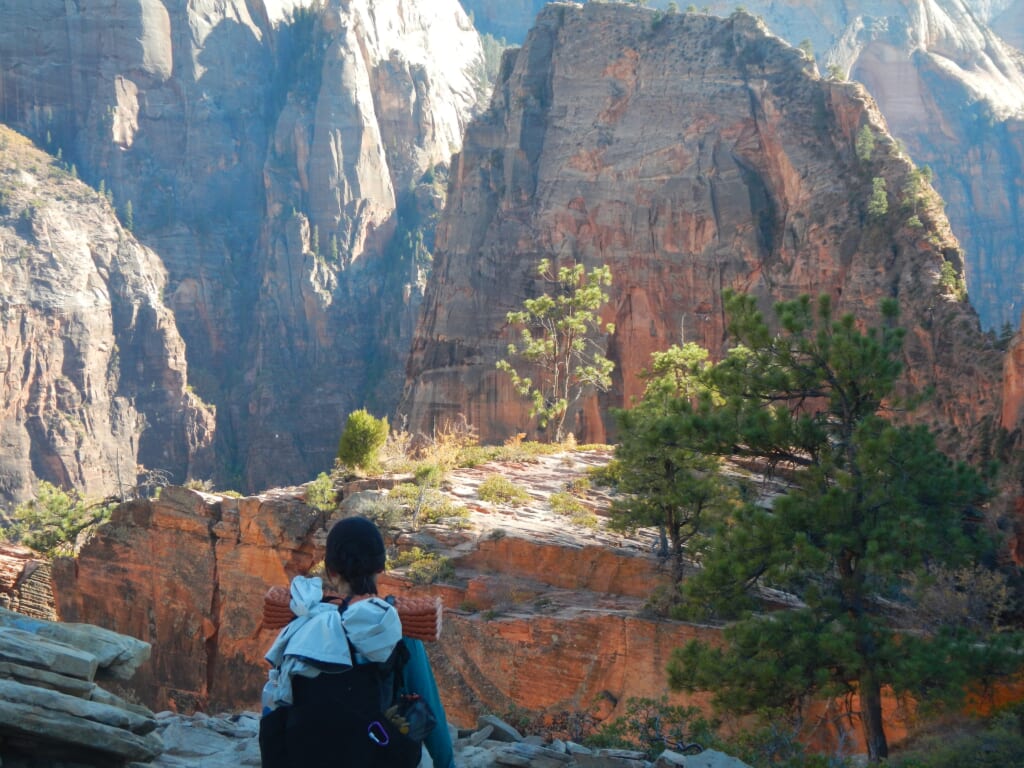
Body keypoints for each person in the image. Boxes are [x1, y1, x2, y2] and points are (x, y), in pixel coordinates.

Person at [260, 515, 455, 768]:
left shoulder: (303, 619)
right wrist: (447, 764)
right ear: (380, 568)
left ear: (331, 571)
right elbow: (431, 710)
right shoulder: (395, 627)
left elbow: (275, 699)